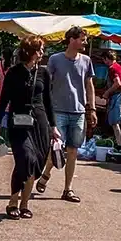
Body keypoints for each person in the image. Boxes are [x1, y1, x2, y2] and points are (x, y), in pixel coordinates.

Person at [0, 36, 58, 220]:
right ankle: (13, 201)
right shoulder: (13, 72)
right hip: (19, 122)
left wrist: (53, 126)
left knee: (35, 163)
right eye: (40, 49)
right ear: (30, 51)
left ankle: (24, 204)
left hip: (40, 124)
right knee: (25, 159)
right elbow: (4, 100)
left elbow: (48, 102)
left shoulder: (44, 73)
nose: (42, 53)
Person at [37, 27, 97, 203]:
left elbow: (89, 85)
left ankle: (68, 189)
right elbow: (46, 83)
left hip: (78, 111)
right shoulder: (55, 59)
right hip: (58, 110)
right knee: (56, 148)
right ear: (72, 40)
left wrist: (92, 108)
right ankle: (46, 173)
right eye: (82, 39)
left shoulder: (86, 61)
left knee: (73, 151)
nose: (85, 43)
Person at [101, 49, 121, 150]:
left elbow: (117, 83)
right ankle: (117, 142)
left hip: (117, 97)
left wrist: (107, 93)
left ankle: (119, 145)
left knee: (115, 123)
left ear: (107, 59)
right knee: (113, 122)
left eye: (104, 60)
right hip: (118, 97)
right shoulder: (118, 66)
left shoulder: (113, 68)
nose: (104, 62)